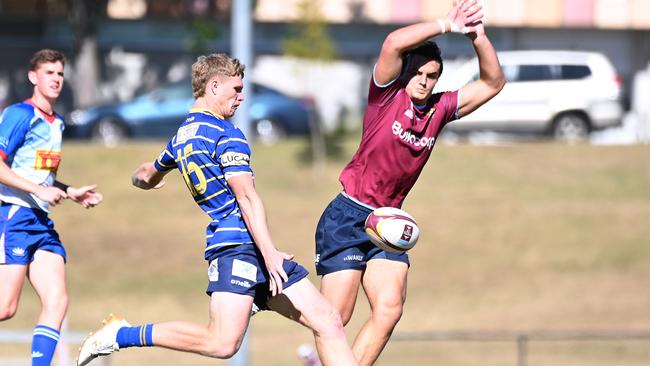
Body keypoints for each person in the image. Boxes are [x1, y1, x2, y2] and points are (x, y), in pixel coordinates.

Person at [77, 53, 357, 366]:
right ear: (213, 86)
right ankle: (120, 335)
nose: (241, 96)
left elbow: (145, 174)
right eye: (236, 89)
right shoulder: (226, 135)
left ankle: (252, 296)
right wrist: (270, 254)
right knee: (221, 344)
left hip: (252, 247)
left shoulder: (182, 137)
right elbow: (247, 198)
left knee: (329, 320)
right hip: (239, 247)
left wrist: (144, 181)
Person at [314, 1, 506, 365]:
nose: (423, 80)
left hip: (388, 221)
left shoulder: (439, 109)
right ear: (406, 72)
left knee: (389, 309)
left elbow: (493, 82)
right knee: (335, 319)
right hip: (348, 215)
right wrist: (446, 24)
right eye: (417, 72)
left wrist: (477, 36)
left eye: (432, 75)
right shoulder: (386, 95)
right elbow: (392, 44)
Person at [0, 49, 104, 366]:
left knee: (57, 301)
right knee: (5, 307)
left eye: (60, 73)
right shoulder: (20, 114)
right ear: (33, 77)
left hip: (40, 224)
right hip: (14, 216)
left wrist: (70, 191)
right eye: (49, 73)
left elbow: (40, 177)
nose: (56, 79)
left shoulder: (56, 122)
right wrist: (38, 192)